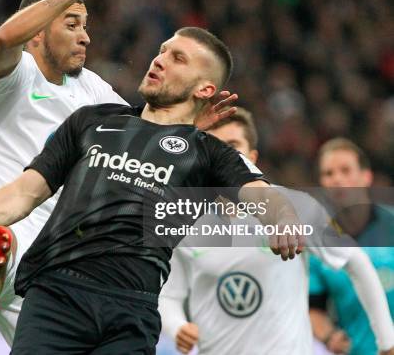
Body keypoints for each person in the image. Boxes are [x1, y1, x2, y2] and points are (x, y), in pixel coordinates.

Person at [0, 26, 305, 354]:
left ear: (205, 87)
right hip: (57, 295)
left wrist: (282, 217)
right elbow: (27, 191)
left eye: (178, 59)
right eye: (161, 51)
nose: (159, 60)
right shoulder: (92, 121)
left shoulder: (206, 152)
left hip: (132, 309)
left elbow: (258, 190)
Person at [0, 0, 237, 346]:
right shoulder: (13, 78)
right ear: (37, 33)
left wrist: (188, 124)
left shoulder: (92, 90)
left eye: (86, 25)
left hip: (53, 249)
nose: (85, 36)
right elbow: (2, 41)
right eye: (72, 24)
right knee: (1, 241)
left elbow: (141, 130)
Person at [158, 109, 394, 355]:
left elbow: (356, 261)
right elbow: (169, 295)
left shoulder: (296, 206)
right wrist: (177, 327)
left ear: (252, 157)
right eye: (214, 147)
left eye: (232, 146)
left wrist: (387, 342)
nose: (222, 156)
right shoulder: (185, 220)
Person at [309, 138, 394, 355]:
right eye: (328, 174)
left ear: (366, 176)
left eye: (345, 170)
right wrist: (329, 336)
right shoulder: (318, 242)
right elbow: (314, 308)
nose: (337, 179)